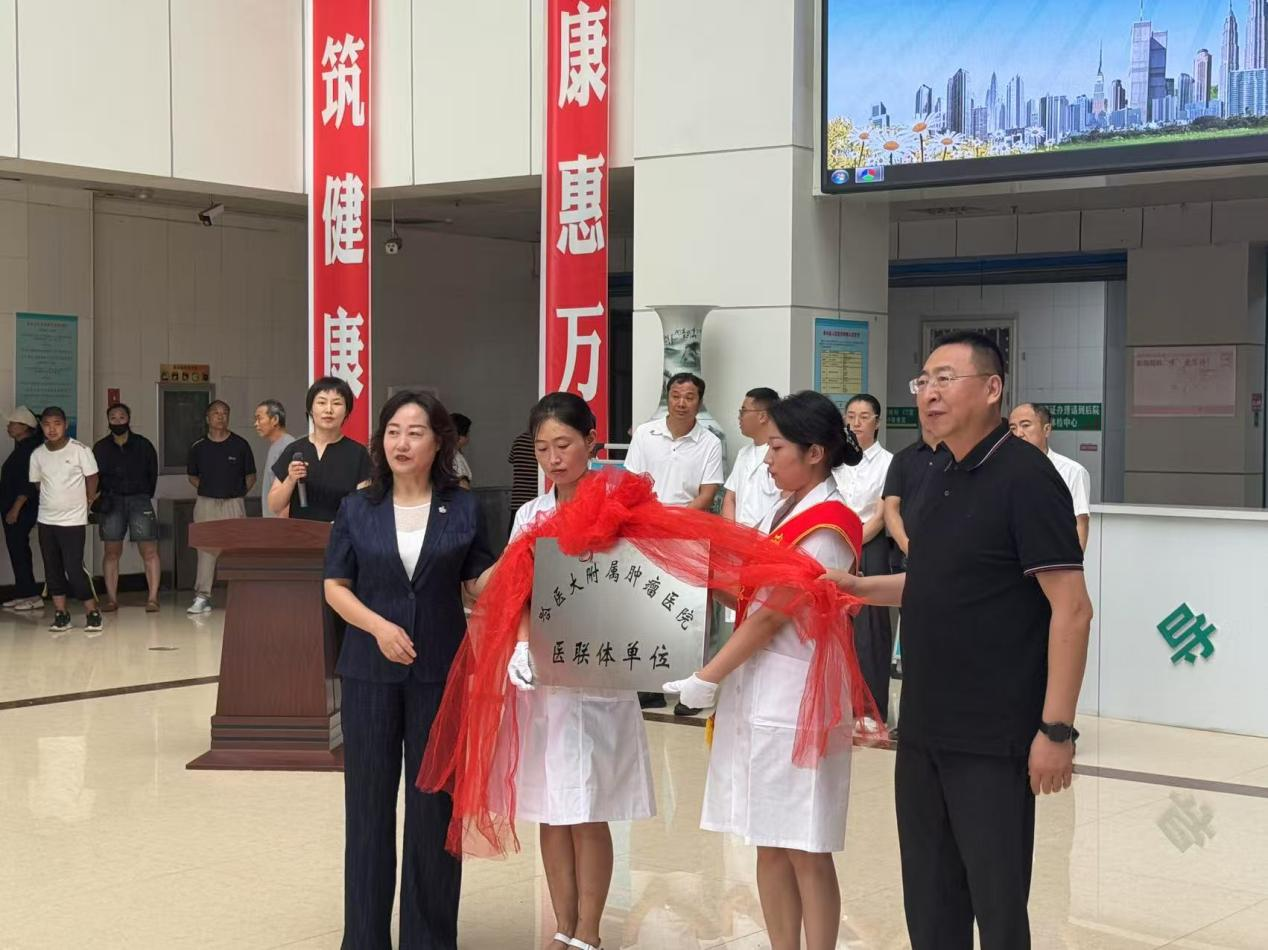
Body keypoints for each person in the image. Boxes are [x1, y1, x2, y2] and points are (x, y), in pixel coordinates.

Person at [821, 331, 1093, 949]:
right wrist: (856, 587)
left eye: (946, 378)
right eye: (923, 380)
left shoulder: (1027, 477)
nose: (929, 393)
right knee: (929, 900)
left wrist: (1056, 730)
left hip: (992, 734)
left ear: (993, 389)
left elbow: (1073, 610)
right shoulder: (934, 471)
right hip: (923, 728)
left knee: (997, 906)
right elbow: (933, 583)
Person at [662, 390, 864, 950]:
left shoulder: (828, 525)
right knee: (768, 839)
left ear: (814, 452)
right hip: (762, 688)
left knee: (806, 846)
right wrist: (699, 571)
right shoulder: (786, 511)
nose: (767, 459)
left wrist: (707, 675)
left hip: (797, 694)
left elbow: (775, 617)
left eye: (776, 448)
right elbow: (753, 602)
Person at [324, 390, 495, 950]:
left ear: (438, 442)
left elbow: (475, 582)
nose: (402, 443)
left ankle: (429, 938)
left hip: (441, 673)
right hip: (368, 673)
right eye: (393, 431)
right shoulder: (358, 507)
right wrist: (378, 627)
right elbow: (335, 587)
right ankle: (364, 939)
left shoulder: (463, 507)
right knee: (368, 810)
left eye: (415, 432)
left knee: (433, 810)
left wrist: (524, 559)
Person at [500, 392, 657, 950]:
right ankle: (561, 926)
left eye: (563, 445)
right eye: (542, 448)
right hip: (544, 678)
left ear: (591, 442)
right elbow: (516, 590)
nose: (553, 458)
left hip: (597, 677)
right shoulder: (531, 514)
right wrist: (522, 646)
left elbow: (644, 582)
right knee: (551, 807)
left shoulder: (618, 505)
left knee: (589, 807)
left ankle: (590, 929)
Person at [625, 372, 724, 710]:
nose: (682, 403)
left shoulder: (709, 442)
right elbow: (633, 485)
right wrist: (652, 520)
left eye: (690, 397)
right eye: (676, 395)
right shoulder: (645, 433)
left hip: (689, 537)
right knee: (648, 608)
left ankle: (692, 690)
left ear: (700, 401)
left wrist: (671, 521)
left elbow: (707, 494)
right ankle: (651, 685)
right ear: (667, 397)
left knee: (690, 613)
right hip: (647, 534)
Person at [832, 394, 894, 723]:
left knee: (870, 629)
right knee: (833, 625)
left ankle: (871, 711)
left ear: (877, 422)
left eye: (864, 416)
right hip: (834, 543)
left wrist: (854, 542)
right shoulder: (835, 460)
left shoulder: (888, 462)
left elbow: (882, 515)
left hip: (870, 544)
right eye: (851, 415)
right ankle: (838, 704)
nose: (856, 423)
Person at [29, 407, 102, 633]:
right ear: (41, 427)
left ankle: (92, 611)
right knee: (52, 568)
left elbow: (92, 478)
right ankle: (61, 613)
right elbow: (38, 483)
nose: (52, 429)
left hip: (73, 521)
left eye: (57, 423)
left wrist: (88, 500)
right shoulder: (37, 454)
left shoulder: (80, 450)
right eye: (47, 424)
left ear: (65, 425)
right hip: (46, 519)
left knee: (74, 567)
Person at [186, 400, 256, 614]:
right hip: (206, 503)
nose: (220, 416)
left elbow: (251, 476)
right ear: (207, 418)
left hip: (234, 502)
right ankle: (202, 596)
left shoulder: (240, 445)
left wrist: (236, 494)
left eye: (224, 413)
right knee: (206, 550)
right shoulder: (198, 446)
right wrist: (211, 489)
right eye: (216, 413)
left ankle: (241, 594)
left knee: (237, 549)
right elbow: (192, 476)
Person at [269, 377, 371, 522]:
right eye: (322, 402)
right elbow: (274, 506)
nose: (328, 410)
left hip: (341, 533)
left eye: (337, 403)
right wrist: (290, 479)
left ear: (347, 411)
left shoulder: (358, 453)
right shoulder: (294, 450)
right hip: (300, 534)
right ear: (311, 409)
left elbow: (364, 507)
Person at [92, 403, 160, 612]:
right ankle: (112, 599)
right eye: (113, 417)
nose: (118, 421)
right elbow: (94, 477)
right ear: (108, 421)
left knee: (149, 550)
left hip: (139, 499)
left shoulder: (143, 444)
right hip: (111, 501)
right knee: (111, 551)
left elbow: (152, 473)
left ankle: (152, 598)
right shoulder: (101, 448)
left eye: (122, 417)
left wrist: (144, 494)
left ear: (128, 419)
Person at [1009, 403, 1092, 551]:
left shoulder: (1072, 471)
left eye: (1025, 425)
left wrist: (1074, 562)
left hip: (1053, 557)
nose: (1018, 433)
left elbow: (1080, 523)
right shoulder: (1003, 470)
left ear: (1046, 430)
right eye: (1012, 428)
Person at [881, 425, 944, 572]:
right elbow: (891, 508)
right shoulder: (902, 458)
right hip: (905, 557)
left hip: (947, 556)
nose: (932, 417)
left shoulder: (958, 457)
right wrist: (907, 547)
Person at [721, 387, 782, 529]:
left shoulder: (781, 454)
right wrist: (730, 532)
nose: (739, 417)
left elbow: (786, 501)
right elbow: (730, 498)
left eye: (743, 411)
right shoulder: (743, 453)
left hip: (767, 536)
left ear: (762, 416)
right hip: (737, 538)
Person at [2, 406, 43, 610]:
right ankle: (22, 592)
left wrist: (16, 508)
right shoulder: (21, 448)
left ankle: (31, 595)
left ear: (25, 427)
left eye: (13, 423)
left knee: (20, 549)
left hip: (22, 509)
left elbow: (28, 483)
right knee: (16, 550)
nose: (8, 426)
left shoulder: (30, 450)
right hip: (14, 507)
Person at [254, 399, 295, 518]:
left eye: (259, 418)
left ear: (275, 420)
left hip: (280, 523)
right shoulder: (276, 446)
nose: (256, 424)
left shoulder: (288, 446)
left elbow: (292, 491)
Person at [507, 429, 537, 528]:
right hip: (535, 497)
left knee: (516, 534)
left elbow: (511, 459)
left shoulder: (518, 441)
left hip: (518, 498)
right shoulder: (540, 442)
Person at [452, 413, 473, 489]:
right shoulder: (452, 457)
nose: (468, 436)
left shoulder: (456, 454)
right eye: (467, 432)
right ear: (459, 437)